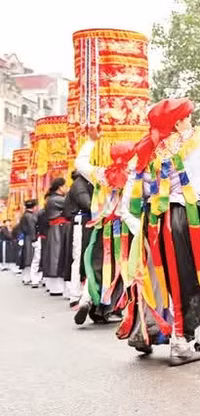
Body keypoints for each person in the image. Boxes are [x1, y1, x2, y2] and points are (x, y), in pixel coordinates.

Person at [117, 97, 200, 365]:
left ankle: (146, 331)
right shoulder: (192, 140)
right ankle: (180, 342)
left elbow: (132, 199)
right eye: (188, 116)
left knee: (157, 277)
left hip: (154, 222)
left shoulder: (147, 152)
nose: (192, 120)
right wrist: (197, 133)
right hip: (185, 218)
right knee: (188, 278)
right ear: (179, 122)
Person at [72, 135, 135, 325]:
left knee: (96, 264)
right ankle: (110, 308)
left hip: (102, 227)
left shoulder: (101, 173)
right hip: (124, 229)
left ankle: (86, 299)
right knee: (120, 268)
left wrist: (91, 141)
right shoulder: (133, 175)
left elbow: (80, 162)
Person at [62, 170, 92, 307]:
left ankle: (78, 292)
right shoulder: (80, 185)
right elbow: (88, 204)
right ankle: (75, 294)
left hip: (83, 224)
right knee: (79, 258)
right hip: (81, 224)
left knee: (81, 258)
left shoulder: (81, 184)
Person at [41, 178, 68, 296]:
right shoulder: (56, 199)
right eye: (65, 186)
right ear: (60, 187)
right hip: (57, 229)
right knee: (57, 255)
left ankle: (56, 287)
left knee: (55, 255)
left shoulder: (51, 199)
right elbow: (70, 205)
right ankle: (56, 287)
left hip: (56, 229)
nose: (66, 188)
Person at [18, 200, 40, 286]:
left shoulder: (25, 215)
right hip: (30, 238)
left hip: (27, 237)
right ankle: (29, 277)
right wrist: (34, 239)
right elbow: (32, 228)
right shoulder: (30, 216)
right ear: (34, 207)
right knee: (30, 258)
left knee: (27, 258)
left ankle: (26, 277)